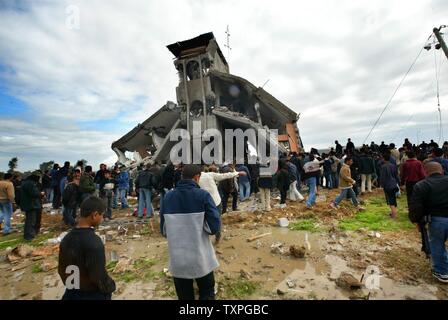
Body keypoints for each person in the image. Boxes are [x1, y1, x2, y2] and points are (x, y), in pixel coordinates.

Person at [160, 164, 220, 300]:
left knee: (184, 297)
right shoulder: (203, 195)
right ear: (196, 177)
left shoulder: (168, 197)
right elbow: (213, 228)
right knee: (207, 292)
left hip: (178, 260)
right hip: (201, 258)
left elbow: (164, 231)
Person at [58, 196, 116, 299]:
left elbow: (62, 270)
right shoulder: (94, 243)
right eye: (101, 215)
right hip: (91, 294)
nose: (102, 219)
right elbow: (98, 276)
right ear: (94, 215)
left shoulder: (66, 239)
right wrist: (110, 286)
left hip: (71, 292)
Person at [409, 162, 448, 283]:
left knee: (437, 245)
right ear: (441, 170)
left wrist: (416, 221)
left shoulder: (422, 185)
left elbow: (416, 207)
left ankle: (442, 272)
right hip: (440, 218)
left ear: (425, 172)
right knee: (438, 245)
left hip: (437, 220)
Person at [20, 171, 44, 240]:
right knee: (31, 221)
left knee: (31, 220)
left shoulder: (26, 182)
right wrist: (41, 194)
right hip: (31, 205)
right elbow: (34, 193)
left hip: (30, 204)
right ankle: (29, 236)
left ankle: (32, 233)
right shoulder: (30, 183)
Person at [380, 153, 400, 219]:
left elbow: (382, 177)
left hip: (387, 185)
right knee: (393, 198)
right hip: (394, 184)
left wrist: (382, 185)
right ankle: (393, 212)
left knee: (390, 199)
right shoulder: (393, 166)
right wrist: (398, 183)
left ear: (384, 159)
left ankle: (394, 215)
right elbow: (396, 175)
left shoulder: (383, 167)